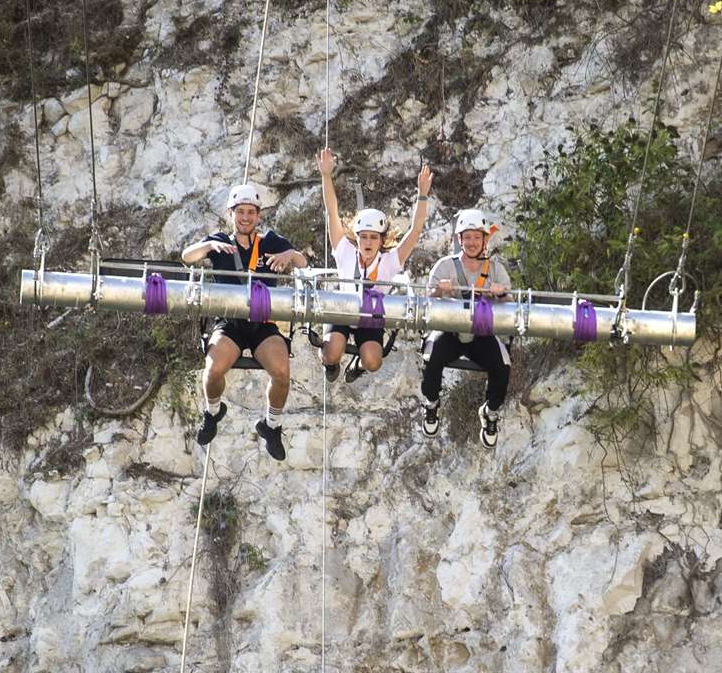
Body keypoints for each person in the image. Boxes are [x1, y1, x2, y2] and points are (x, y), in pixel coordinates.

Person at [180, 183, 308, 461]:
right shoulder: (220, 242)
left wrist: (289, 255)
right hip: (231, 322)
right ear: (232, 214)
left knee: (282, 372)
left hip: (262, 323)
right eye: (241, 212)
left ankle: (271, 425)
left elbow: (303, 262)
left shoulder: (271, 242)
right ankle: (213, 412)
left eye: (251, 212)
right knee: (213, 370)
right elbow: (186, 257)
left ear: (258, 215)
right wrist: (207, 246)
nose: (246, 217)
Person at [317, 149, 433, 383]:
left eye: (373, 237)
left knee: (373, 361)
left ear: (382, 240)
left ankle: (357, 364)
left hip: (370, 318)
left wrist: (422, 196)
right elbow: (332, 210)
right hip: (343, 309)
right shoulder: (345, 251)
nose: (368, 242)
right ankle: (330, 363)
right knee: (332, 351)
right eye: (364, 237)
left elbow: (415, 230)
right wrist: (326, 176)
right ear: (356, 238)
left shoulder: (390, 261)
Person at [422, 208, 511, 448]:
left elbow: (509, 303)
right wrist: (439, 291)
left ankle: (490, 412)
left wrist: (500, 294)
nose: (472, 242)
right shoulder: (445, 267)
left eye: (476, 237)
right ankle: (431, 403)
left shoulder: (495, 270)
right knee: (431, 357)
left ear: (484, 240)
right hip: (450, 330)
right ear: (459, 240)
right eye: (467, 237)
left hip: (481, 333)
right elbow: (428, 299)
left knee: (502, 367)